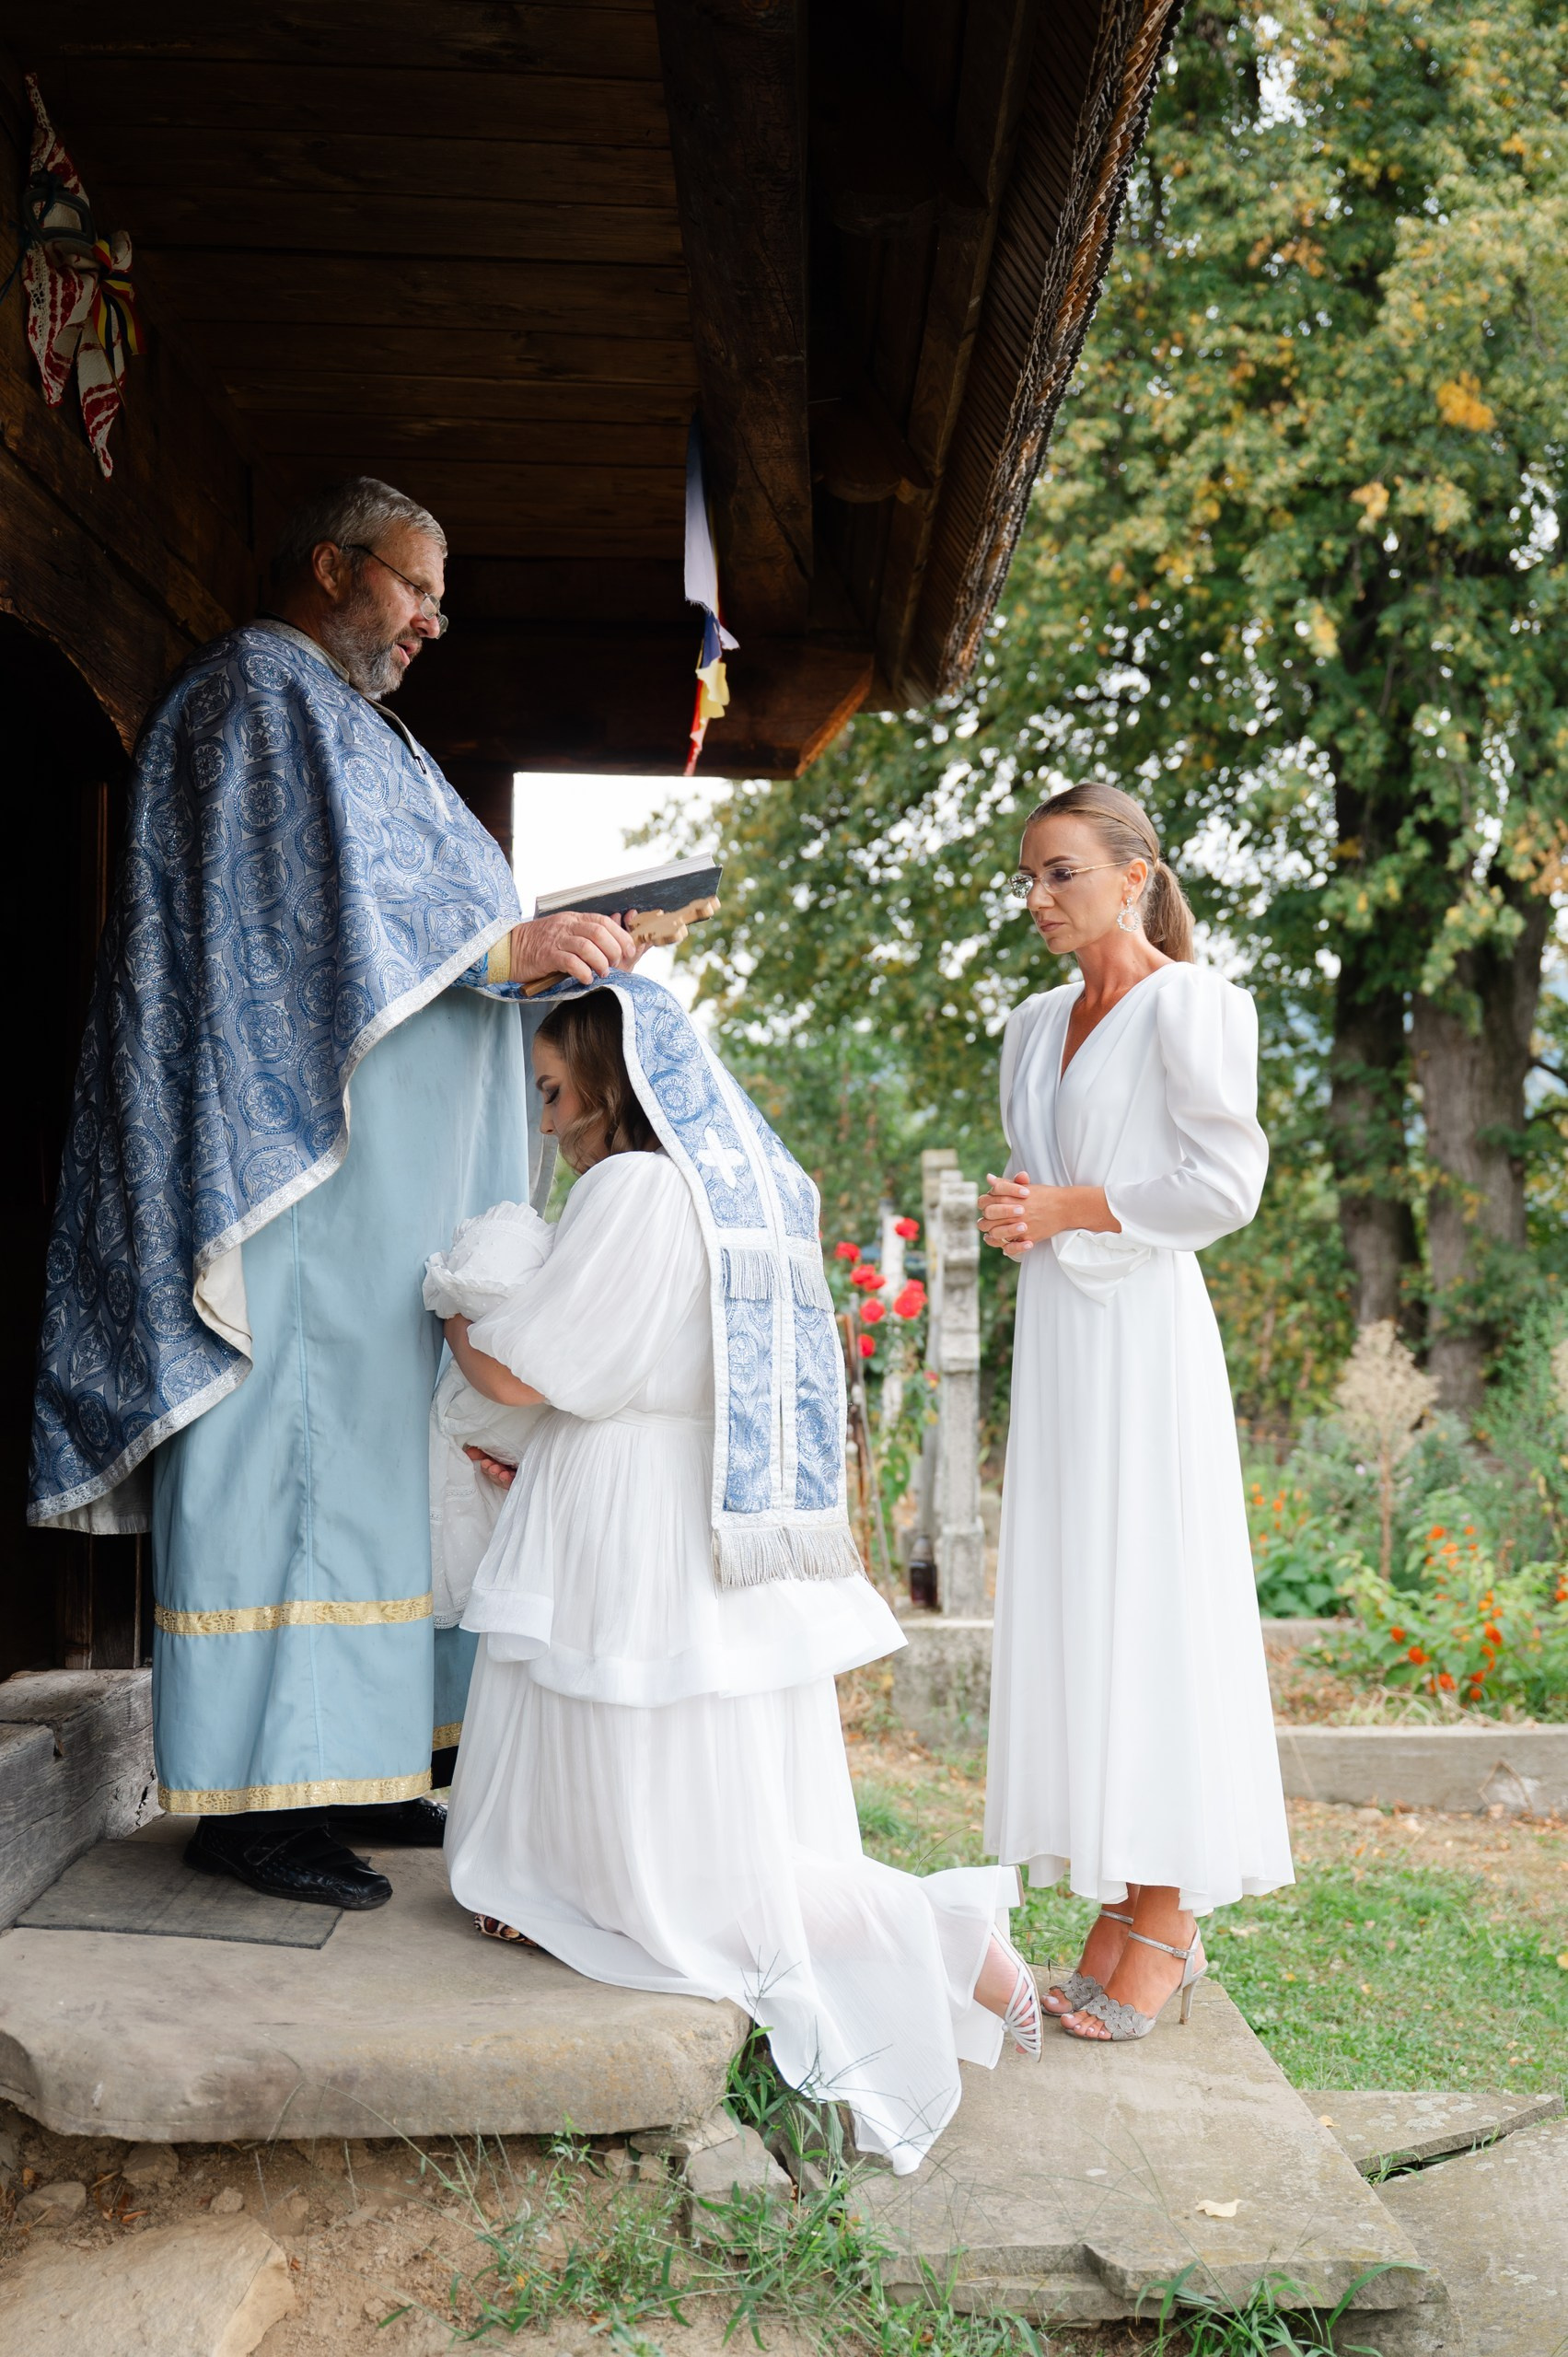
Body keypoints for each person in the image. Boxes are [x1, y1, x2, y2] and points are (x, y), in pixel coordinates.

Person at [29, 477, 643, 1910]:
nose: (432, 620)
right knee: (299, 1460)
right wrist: (507, 950)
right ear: (330, 565)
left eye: (439, 597)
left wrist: (548, 953)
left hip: (381, 1201)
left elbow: (428, 920)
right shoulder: (255, 693)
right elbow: (298, 925)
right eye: (414, 586)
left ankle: (364, 1758)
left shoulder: (364, 728)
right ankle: (263, 1795)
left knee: (379, 1468)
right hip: (295, 1184)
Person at [439, 978, 1040, 2174]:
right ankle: (559, 1895)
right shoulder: (735, 1193)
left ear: (607, 1081)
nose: (547, 1120)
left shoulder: (633, 1187)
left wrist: (455, 1312)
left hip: (628, 1514)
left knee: (681, 1847)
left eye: (554, 1091)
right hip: (691, 1496)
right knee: (669, 1796)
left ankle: (940, 1928)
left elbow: (529, 1372)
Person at [978, 782, 1292, 2043]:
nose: (1039, 897)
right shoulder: (1030, 1025)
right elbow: (1047, 1175)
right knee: (1086, 1606)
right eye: (1029, 877)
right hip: (1062, 1339)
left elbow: (1224, 1183)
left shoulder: (1194, 1006)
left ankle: (1168, 1914)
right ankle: (1119, 1899)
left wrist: (1069, 1209)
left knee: (1154, 1602)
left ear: (1136, 876)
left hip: (1146, 1346)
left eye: (1062, 872)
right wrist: (1024, 1214)